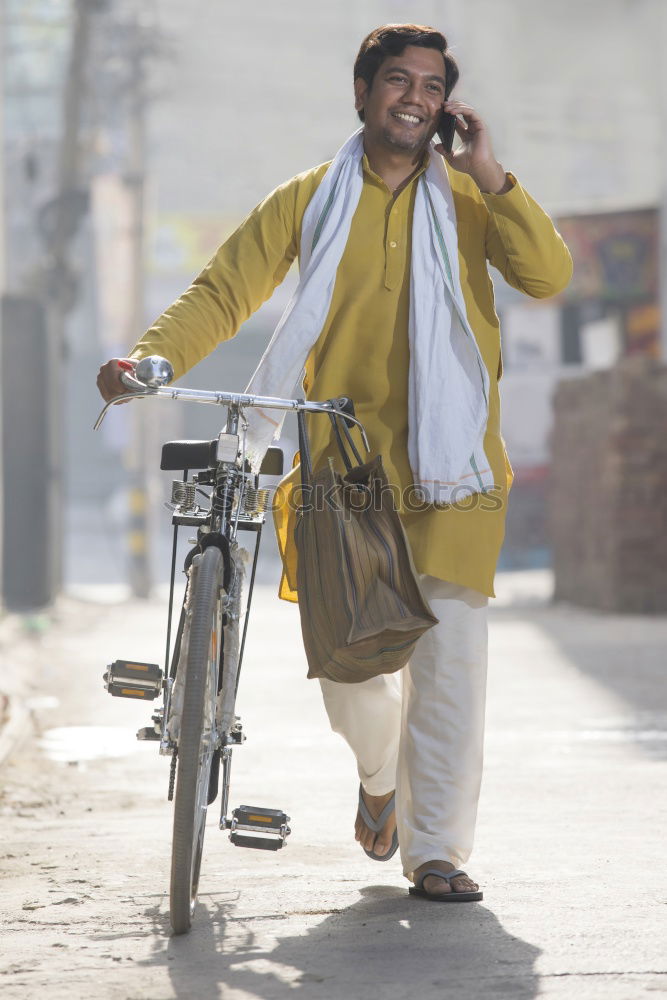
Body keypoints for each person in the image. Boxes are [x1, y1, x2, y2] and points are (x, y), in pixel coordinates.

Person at [97, 23, 572, 901]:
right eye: (399, 81)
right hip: (338, 470)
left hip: (455, 473)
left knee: (451, 668)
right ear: (361, 94)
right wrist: (149, 360)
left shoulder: (472, 202)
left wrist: (493, 174)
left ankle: (435, 854)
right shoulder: (310, 198)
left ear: (446, 109)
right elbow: (224, 288)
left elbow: (545, 277)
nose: (415, 99)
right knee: (350, 667)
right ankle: (381, 780)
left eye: (432, 87)